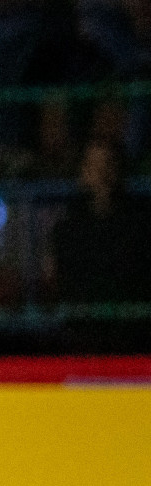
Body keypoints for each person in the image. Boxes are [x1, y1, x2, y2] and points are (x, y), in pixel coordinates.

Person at [47, 137, 151, 352]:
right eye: (94, 166)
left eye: (108, 165)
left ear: (119, 171)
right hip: (82, 335)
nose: (102, 173)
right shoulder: (67, 228)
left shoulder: (140, 225)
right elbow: (60, 280)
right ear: (83, 173)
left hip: (132, 334)